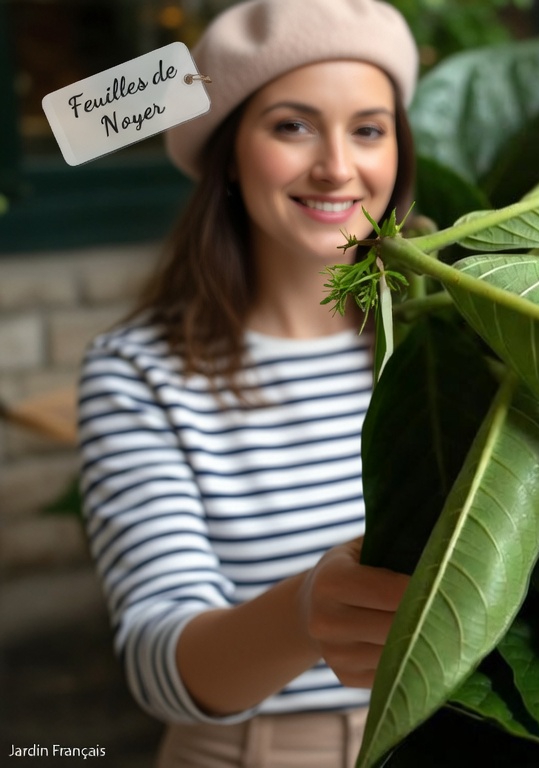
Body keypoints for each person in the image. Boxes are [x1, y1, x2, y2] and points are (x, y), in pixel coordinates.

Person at [76, 1, 419, 764]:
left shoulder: (447, 344)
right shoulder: (140, 373)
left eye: (368, 128)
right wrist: (304, 611)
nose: (337, 166)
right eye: (292, 126)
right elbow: (156, 657)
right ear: (229, 153)